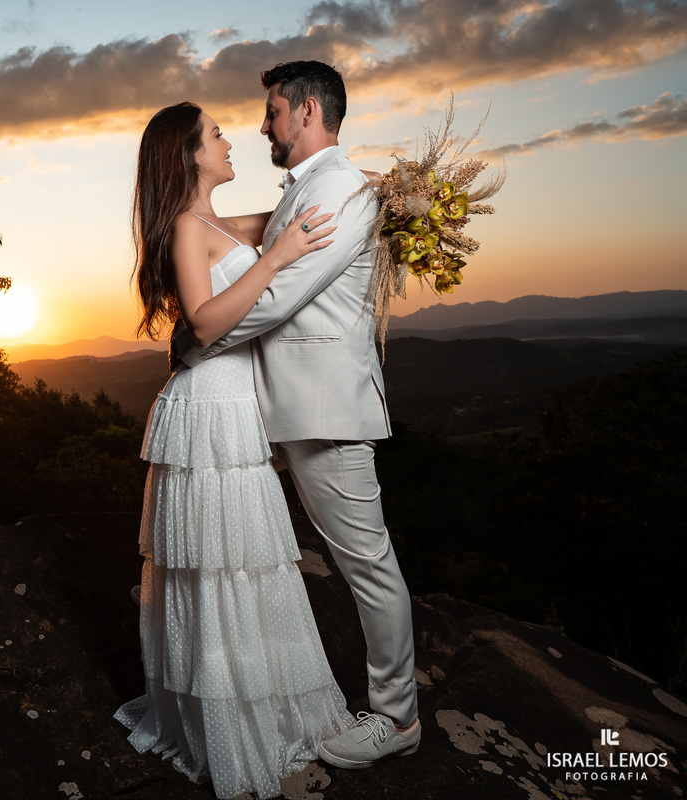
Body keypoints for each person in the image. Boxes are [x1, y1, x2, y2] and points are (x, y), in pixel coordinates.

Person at [172, 60, 421, 770]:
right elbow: (230, 242)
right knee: (354, 559)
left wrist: (200, 339)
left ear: (307, 111)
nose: (262, 126)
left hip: (324, 410)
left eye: (273, 112)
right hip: (289, 408)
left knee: (367, 563)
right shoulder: (311, 188)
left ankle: (397, 718)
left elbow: (281, 299)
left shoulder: (337, 187)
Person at [113, 101, 355, 800]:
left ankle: (267, 706)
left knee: (249, 568)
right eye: (215, 134)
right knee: (218, 573)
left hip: (236, 410)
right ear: (188, 154)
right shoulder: (188, 228)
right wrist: (277, 256)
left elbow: (297, 212)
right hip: (208, 407)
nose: (229, 140)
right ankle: (223, 729)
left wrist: (378, 195)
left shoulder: (221, 221)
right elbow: (208, 322)